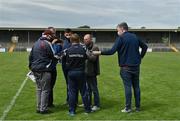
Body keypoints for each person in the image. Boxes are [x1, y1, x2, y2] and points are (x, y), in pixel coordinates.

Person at [93, 22, 148, 113]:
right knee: (136, 87)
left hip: (126, 67)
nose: (117, 32)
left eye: (117, 30)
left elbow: (111, 51)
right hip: (136, 66)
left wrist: (99, 52)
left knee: (128, 87)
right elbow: (145, 47)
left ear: (122, 29)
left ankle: (128, 108)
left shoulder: (121, 38)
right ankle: (138, 107)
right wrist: (140, 57)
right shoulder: (135, 36)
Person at [64, 33, 91, 116]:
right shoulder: (82, 49)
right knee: (84, 91)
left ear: (71, 40)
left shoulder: (68, 50)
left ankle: (72, 111)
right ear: (79, 40)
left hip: (71, 73)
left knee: (72, 92)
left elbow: (64, 61)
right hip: (80, 72)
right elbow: (87, 58)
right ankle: (87, 109)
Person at [29, 29, 55, 114]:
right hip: (44, 69)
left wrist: (31, 67)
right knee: (45, 89)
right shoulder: (48, 43)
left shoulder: (35, 43)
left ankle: (38, 107)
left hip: (35, 69)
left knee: (39, 89)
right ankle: (43, 109)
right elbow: (53, 55)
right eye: (51, 35)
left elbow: (30, 56)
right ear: (48, 35)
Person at [83, 34, 100, 111]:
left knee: (94, 89)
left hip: (92, 72)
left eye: (86, 39)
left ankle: (97, 105)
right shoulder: (85, 47)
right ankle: (88, 103)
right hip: (85, 71)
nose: (85, 41)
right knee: (87, 89)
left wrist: (85, 53)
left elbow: (93, 59)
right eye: (84, 39)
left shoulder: (95, 47)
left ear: (90, 39)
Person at [48, 37, 63, 107]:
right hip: (49, 68)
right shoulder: (50, 45)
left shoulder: (57, 45)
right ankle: (47, 103)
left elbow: (57, 54)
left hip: (52, 67)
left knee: (49, 87)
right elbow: (54, 53)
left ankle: (49, 103)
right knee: (48, 87)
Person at [62, 28, 73, 104]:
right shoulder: (63, 42)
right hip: (65, 66)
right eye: (67, 34)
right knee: (68, 83)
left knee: (72, 83)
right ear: (64, 34)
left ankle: (71, 99)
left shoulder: (73, 41)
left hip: (72, 65)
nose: (68, 35)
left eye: (69, 34)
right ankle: (69, 99)